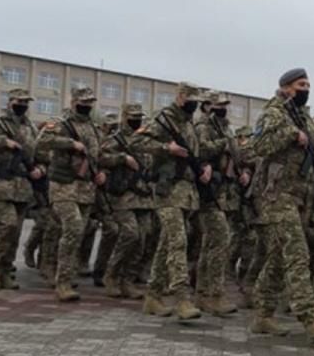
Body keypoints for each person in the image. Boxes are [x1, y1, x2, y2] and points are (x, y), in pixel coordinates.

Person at [244, 69, 314, 343]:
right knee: (298, 255)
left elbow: (313, 151)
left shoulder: (301, 116)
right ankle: (310, 319)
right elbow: (259, 146)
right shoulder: (273, 114)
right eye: (301, 85)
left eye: (308, 84)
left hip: (300, 197)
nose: (306, 89)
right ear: (286, 87)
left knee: (277, 258)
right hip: (277, 196)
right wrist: (289, 135)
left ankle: (263, 315)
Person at [133, 82, 209, 321]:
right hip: (167, 190)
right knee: (178, 241)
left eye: (197, 100)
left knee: (168, 243)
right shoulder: (164, 119)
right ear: (180, 97)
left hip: (186, 192)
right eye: (191, 98)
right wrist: (167, 147)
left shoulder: (189, 123)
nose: (194, 103)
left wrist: (204, 167)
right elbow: (137, 143)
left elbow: (196, 154)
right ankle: (182, 298)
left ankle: (153, 297)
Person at [36, 87, 110, 302]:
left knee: (77, 233)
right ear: (73, 101)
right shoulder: (59, 123)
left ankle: (65, 274)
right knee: (73, 227)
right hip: (63, 186)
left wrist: (102, 173)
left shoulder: (94, 129)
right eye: (83, 101)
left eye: (90, 102)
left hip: (86, 189)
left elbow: (100, 155)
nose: (87, 105)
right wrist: (70, 143)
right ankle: (63, 282)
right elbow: (41, 142)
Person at [0, 89, 44, 291]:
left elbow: (40, 154)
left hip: (22, 188)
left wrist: (40, 168)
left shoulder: (31, 128)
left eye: (26, 102)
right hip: (0, 186)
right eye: (19, 101)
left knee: (14, 233)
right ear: (10, 102)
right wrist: (3, 141)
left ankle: (6, 270)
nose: (22, 105)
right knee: (7, 226)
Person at [99, 103, 154, 299]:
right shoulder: (116, 139)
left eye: (139, 116)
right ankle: (111, 276)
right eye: (133, 116)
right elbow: (101, 157)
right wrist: (122, 158)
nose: (136, 120)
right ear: (124, 117)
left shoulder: (146, 138)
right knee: (130, 233)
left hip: (144, 196)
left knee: (143, 237)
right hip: (123, 195)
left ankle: (128, 280)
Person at [194, 91, 240, 317]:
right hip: (207, 191)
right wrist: (225, 143)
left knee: (210, 242)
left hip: (220, 190)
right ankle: (214, 294)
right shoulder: (204, 127)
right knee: (221, 238)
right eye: (218, 105)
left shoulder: (223, 127)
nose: (223, 109)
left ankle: (203, 293)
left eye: (224, 105)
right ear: (206, 107)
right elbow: (201, 150)